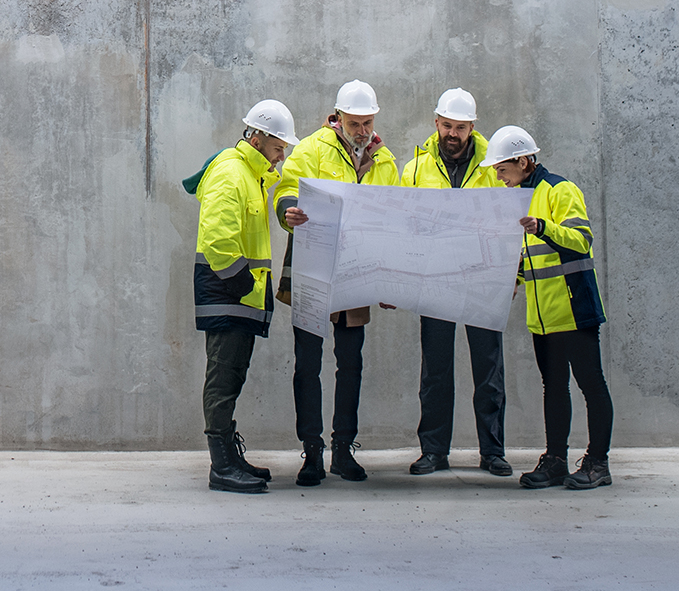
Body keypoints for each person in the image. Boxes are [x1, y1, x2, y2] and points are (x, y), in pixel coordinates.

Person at [273, 80, 400, 487]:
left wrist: (388, 279)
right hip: (312, 267)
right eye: (354, 122)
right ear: (337, 117)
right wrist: (288, 210)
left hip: (356, 270)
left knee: (351, 365)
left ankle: (343, 450)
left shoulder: (386, 161)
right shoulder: (310, 149)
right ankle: (312, 453)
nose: (362, 130)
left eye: (367, 122)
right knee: (307, 365)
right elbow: (287, 189)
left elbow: (392, 220)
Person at [481, 125, 614, 489]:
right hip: (543, 315)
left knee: (591, 384)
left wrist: (542, 226)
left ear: (523, 161)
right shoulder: (519, 197)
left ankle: (598, 463)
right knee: (553, 386)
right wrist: (514, 280)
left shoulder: (559, 189)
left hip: (574, 307)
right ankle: (556, 459)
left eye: (502, 169)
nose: (499, 177)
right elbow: (531, 258)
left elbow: (581, 241)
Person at [183, 99, 300, 494]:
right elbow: (217, 241)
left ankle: (230, 457)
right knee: (222, 378)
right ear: (259, 137)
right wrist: (243, 286)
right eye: (279, 146)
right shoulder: (232, 172)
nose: (282, 155)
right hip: (228, 294)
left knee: (232, 376)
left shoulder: (251, 174)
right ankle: (221, 467)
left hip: (239, 297)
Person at [401, 88, 512, 477]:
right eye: (447, 125)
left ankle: (493, 452)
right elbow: (405, 226)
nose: (453, 133)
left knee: (488, 369)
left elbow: (511, 220)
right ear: (436, 123)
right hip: (435, 279)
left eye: (460, 127)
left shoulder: (495, 164)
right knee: (435, 370)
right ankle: (433, 451)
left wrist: (511, 272)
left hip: (483, 279)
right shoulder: (414, 168)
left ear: (472, 127)